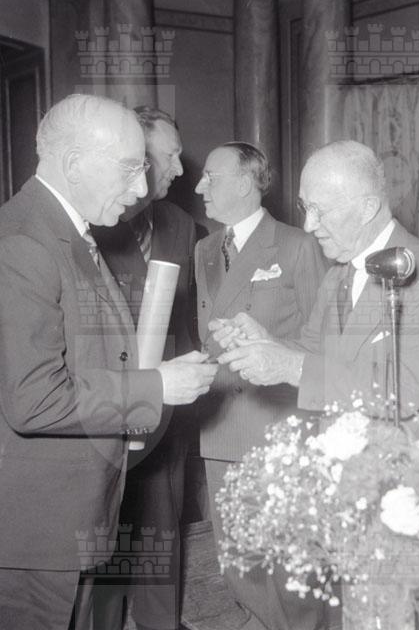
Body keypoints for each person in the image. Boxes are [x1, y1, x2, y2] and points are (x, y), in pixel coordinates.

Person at [0, 94, 218, 630]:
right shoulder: (25, 242)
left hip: (73, 513)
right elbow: (33, 401)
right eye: (129, 168)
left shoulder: (66, 229)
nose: (142, 188)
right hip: (38, 534)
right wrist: (155, 386)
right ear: (75, 164)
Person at [215, 139, 419, 476]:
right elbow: (315, 351)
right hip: (361, 470)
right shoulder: (340, 273)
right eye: (305, 207)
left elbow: (402, 390)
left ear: (368, 208)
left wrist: (290, 366)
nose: (308, 225)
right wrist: (266, 343)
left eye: (320, 210)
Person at [194, 141, 328, 630]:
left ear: (247, 182)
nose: (199, 186)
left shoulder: (297, 245)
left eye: (211, 177)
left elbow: (323, 343)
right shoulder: (205, 249)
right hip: (220, 421)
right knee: (237, 555)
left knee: (292, 563)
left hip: (278, 427)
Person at [92, 106, 195, 630]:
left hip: (167, 400)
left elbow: (187, 312)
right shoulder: (96, 221)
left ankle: (160, 622)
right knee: (104, 527)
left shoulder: (180, 223)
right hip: (107, 395)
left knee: (160, 520)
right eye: (170, 156)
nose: (179, 168)